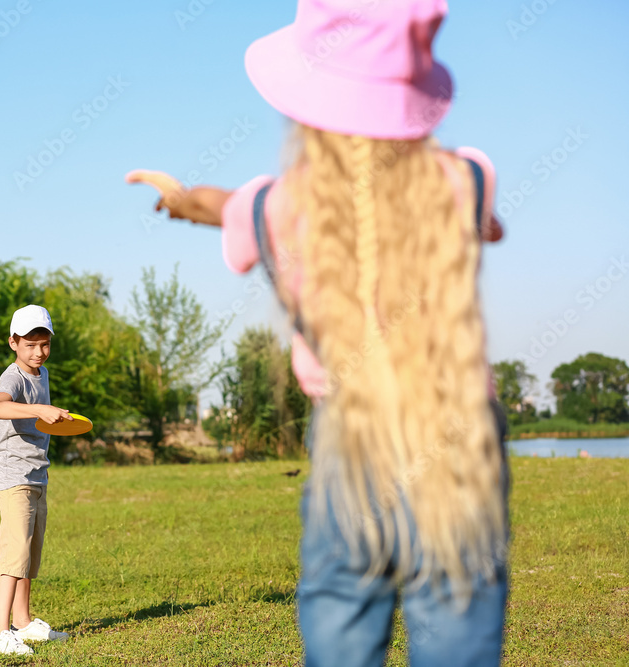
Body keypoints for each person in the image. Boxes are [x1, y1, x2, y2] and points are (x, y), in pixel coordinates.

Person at [126, 1, 510, 664]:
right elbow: (479, 219)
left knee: (341, 639)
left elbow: (221, 205)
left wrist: (180, 196)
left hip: (348, 442)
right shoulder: (468, 179)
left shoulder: (275, 209)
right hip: (462, 440)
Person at [0, 304, 73, 655]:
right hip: (13, 477)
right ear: (13, 343)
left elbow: (37, 421)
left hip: (37, 473)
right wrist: (38, 409)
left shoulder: (43, 374)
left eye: (45, 344)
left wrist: (54, 418)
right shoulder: (13, 377)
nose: (38, 352)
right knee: (14, 554)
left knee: (30, 554)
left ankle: (22, 623)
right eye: (30, 345)